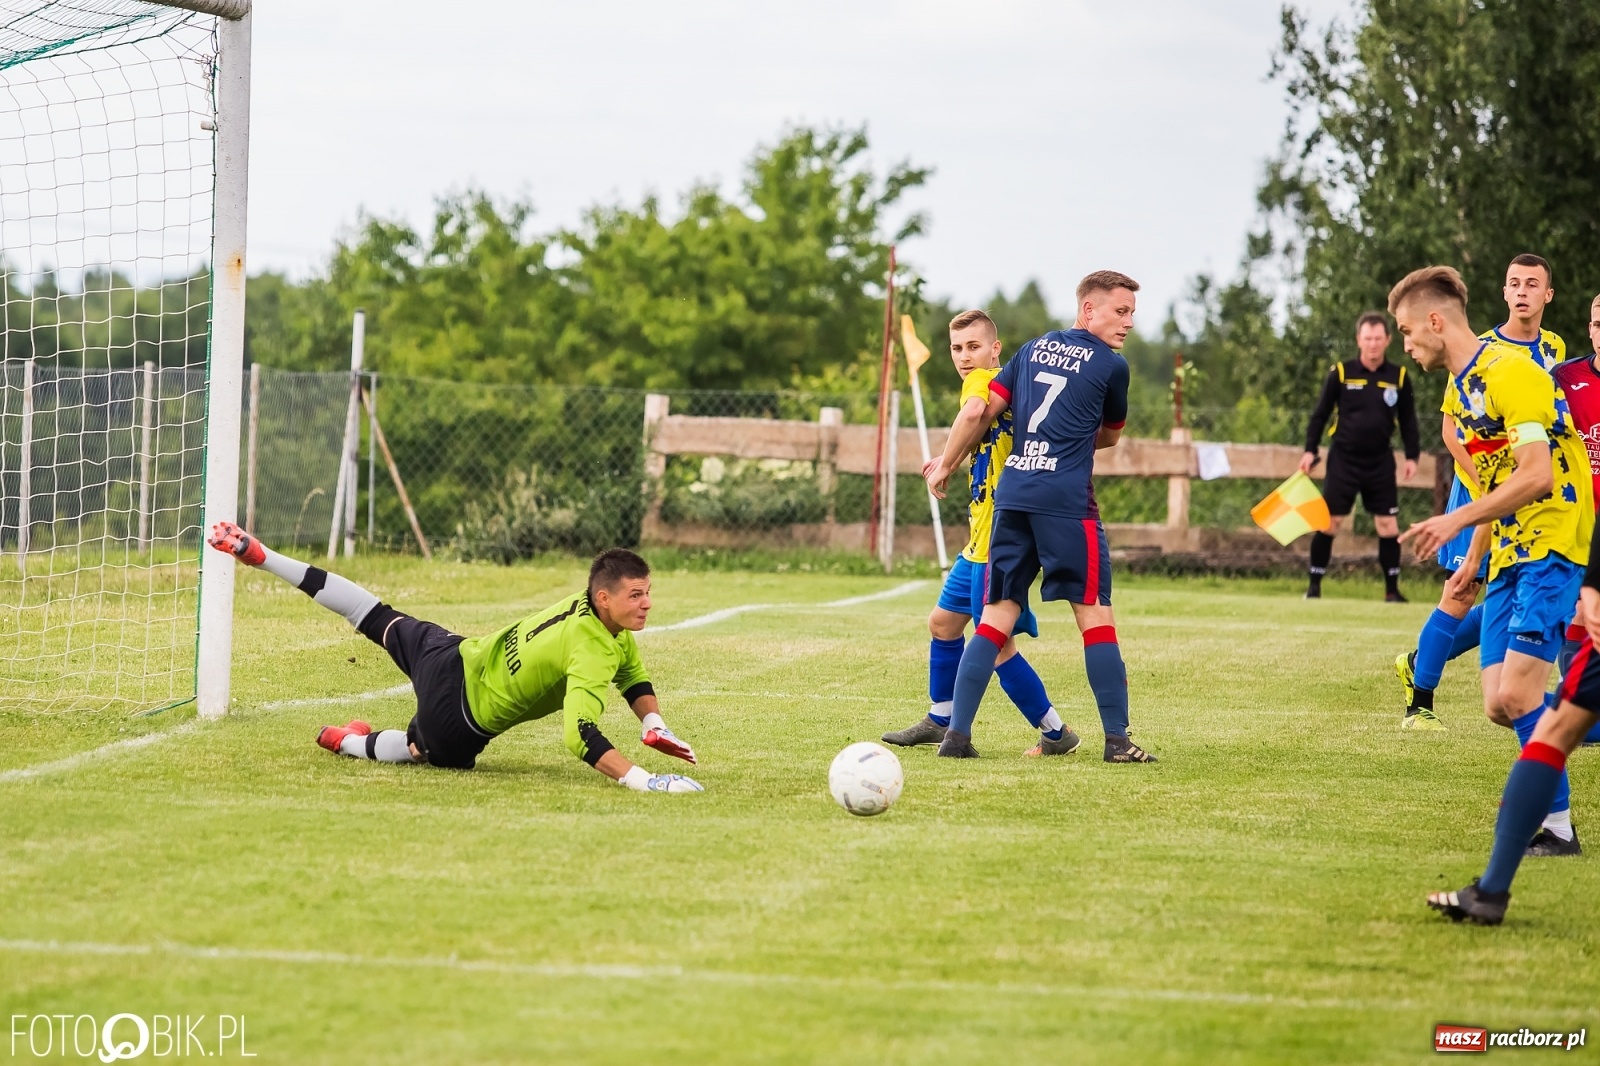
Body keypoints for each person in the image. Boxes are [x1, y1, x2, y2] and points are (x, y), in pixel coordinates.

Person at [206, 521, 705, 793]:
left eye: (647, 593)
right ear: (605, 598)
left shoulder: (598, 620)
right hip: (460, 717)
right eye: (637, 595)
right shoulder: (594, 649)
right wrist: (645, 780)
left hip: (455, 653)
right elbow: (580, 737)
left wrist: (652, 721)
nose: (647, 603)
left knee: (375, 614)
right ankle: (345, 743)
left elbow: (632, 673)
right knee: (421, 749)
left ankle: (265, 557)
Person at [1394, 266, 1592, 863]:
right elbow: (1491, 480)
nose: (1406, 345)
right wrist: (1474, 556)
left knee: (1523, 691)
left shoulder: (1516, 374)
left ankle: (1556, 828)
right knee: (1499, 702)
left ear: (1435, 321)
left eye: (1407, 331)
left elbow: (1537, 475)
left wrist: (1453, 522)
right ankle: (1577, 728)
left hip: (1552, 540)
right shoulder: (1460, 390)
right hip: (1507, 549)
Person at [923, 270, 1156, 764]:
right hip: (1066, 502)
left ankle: (956, 737)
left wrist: (946, 463)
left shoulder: (1032, 349)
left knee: (992, 619)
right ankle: (1117, 741)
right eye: (1121, 311)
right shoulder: (1112, 366)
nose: (1129, 322)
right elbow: (1111, 436)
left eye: (1132, 312)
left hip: (1013, 494)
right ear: (1088, 309)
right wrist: (1066, 442)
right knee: (1094, 616)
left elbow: (987, 412)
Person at [882, 310, 1082, 757]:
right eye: (956, 348)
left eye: (973, 346)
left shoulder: (982, 383)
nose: (964, 357)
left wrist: (943, 464)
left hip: (999, 536)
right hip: (980, 538)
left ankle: (1055, 733)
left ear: (995, 349)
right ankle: (940, 716)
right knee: (943, 623)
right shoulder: (1009, 389)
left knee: (994, 643)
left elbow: (973, 412)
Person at [1397, 254, 1569, 729]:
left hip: (1541, 511)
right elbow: (1455, 433)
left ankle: (1421, 668)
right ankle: (1420, 695)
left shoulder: (1545, 353)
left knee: (1511, 691)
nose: (1522, 292)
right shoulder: (1476, 350)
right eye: (1514, 283)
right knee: (1464, 590)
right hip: (1485, 490)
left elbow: (1541, 460)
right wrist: (1482, 493)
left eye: (1531, 284)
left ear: (1547, 295)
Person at [1299, 312, 1420, 601]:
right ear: (1358, 340)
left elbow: (1408, 420)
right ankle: (1314, 586)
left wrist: (1412, 456)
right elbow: (1320, 415)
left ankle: (1392, 591)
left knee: (1387, 525)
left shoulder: (1398, 377)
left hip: (1380, 461)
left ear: (1388, 340)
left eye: (1378, 338)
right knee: (1330, 522)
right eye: (1368, 339)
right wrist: (1309, 449)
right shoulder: (1340, 373)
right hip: (1344, 459)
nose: (1373, 344)